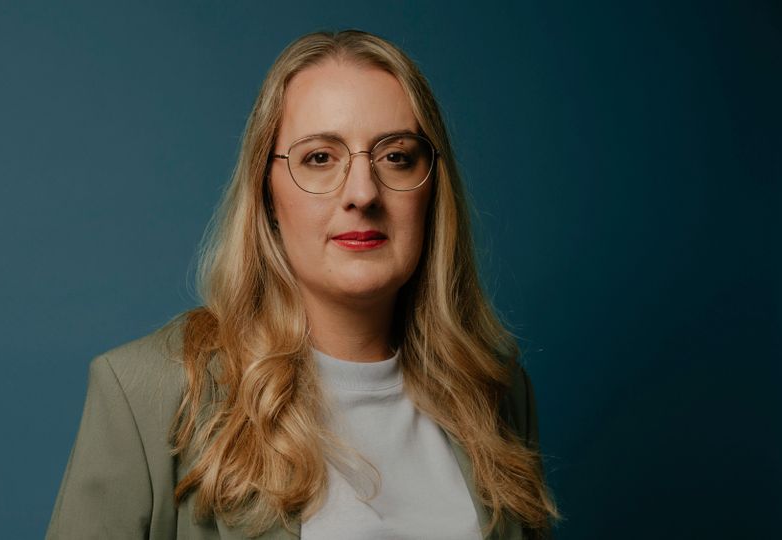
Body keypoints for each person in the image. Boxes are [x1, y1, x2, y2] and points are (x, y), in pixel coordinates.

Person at [46, 29, 558, 540]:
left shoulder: (499, 395)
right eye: (320, 157)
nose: (363, 193)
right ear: (267, 193)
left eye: (396, 156)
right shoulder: (148, 393)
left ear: (433, 188)